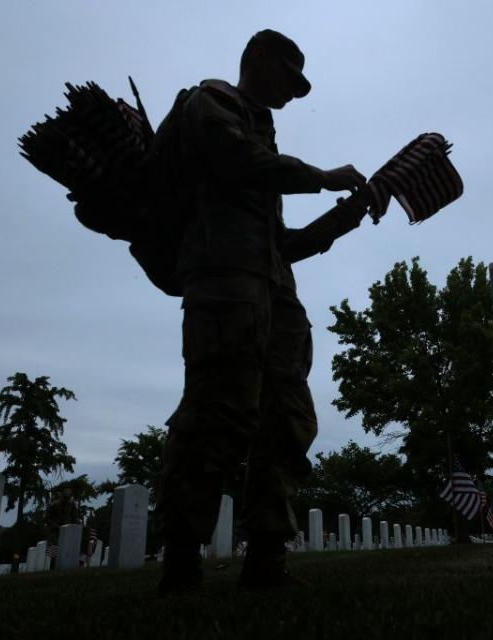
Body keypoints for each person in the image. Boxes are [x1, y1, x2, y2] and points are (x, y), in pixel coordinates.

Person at [153, 29, 368, 593]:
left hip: (272, 291)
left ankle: (266, 559)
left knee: (287, 417)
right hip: (224, 282)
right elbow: (235, 161)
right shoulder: (212, 101)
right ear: (258, 58)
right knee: (217, 415)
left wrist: (349, 215)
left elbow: (282, 242)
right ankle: (180, 562)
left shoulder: (264, 136)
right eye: (288, 79)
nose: (294, 94)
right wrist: (319, 178)